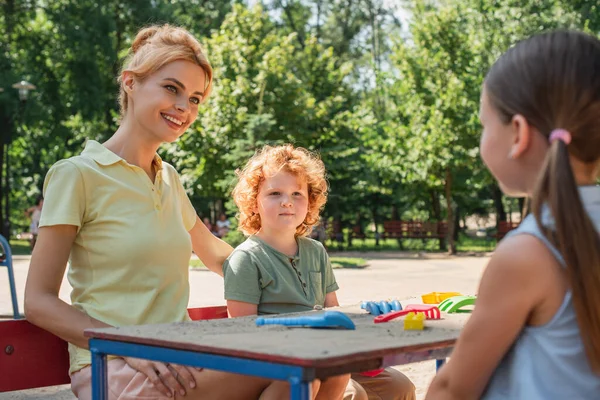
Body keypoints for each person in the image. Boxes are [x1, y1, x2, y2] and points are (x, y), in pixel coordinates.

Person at [24, 24, 271, 399]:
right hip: (114, 364)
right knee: (293, 373)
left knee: (332, 380)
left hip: (181, 355)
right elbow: (37, 301)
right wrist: (126, 344)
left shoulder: (168, 177)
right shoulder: (76, 175)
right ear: (130, 83)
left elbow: (219, 256)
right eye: (172, 89)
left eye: (195, 98)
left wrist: (289, 269)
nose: (184, 108)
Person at [426, 30, 600, 400]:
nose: (481, 140)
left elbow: (452, 389)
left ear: (518, 133)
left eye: (484, 124)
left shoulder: (527, 254)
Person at [225, 144, 416, 400]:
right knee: (353, 394)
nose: (287, 202)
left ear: (310, 201)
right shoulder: (246, 258)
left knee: (399, 386)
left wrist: (364, 320)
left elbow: (332, 311)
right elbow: (242, 335)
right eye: (274, 193)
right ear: (254, 202)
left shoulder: (315, 251)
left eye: (297, 194)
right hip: (284, 364)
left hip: (328, 354)